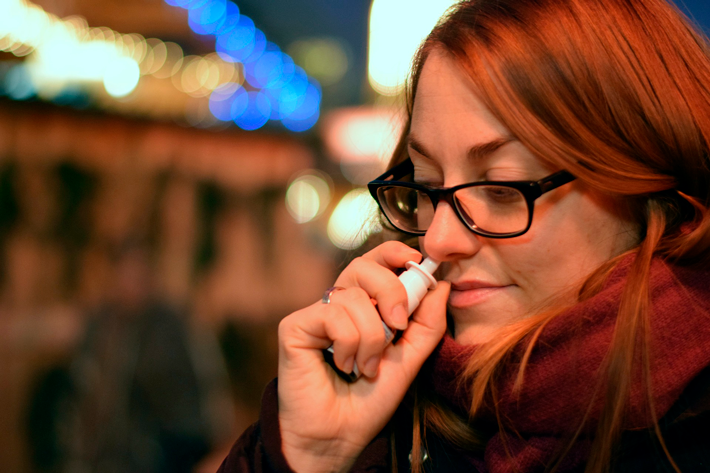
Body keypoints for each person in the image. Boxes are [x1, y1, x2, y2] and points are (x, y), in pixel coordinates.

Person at [218, 0, 710, 471]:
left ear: (648, 185)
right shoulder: (388, 409)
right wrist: (308, 457)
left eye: (499, 187)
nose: (437, 241)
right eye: (428, 188)